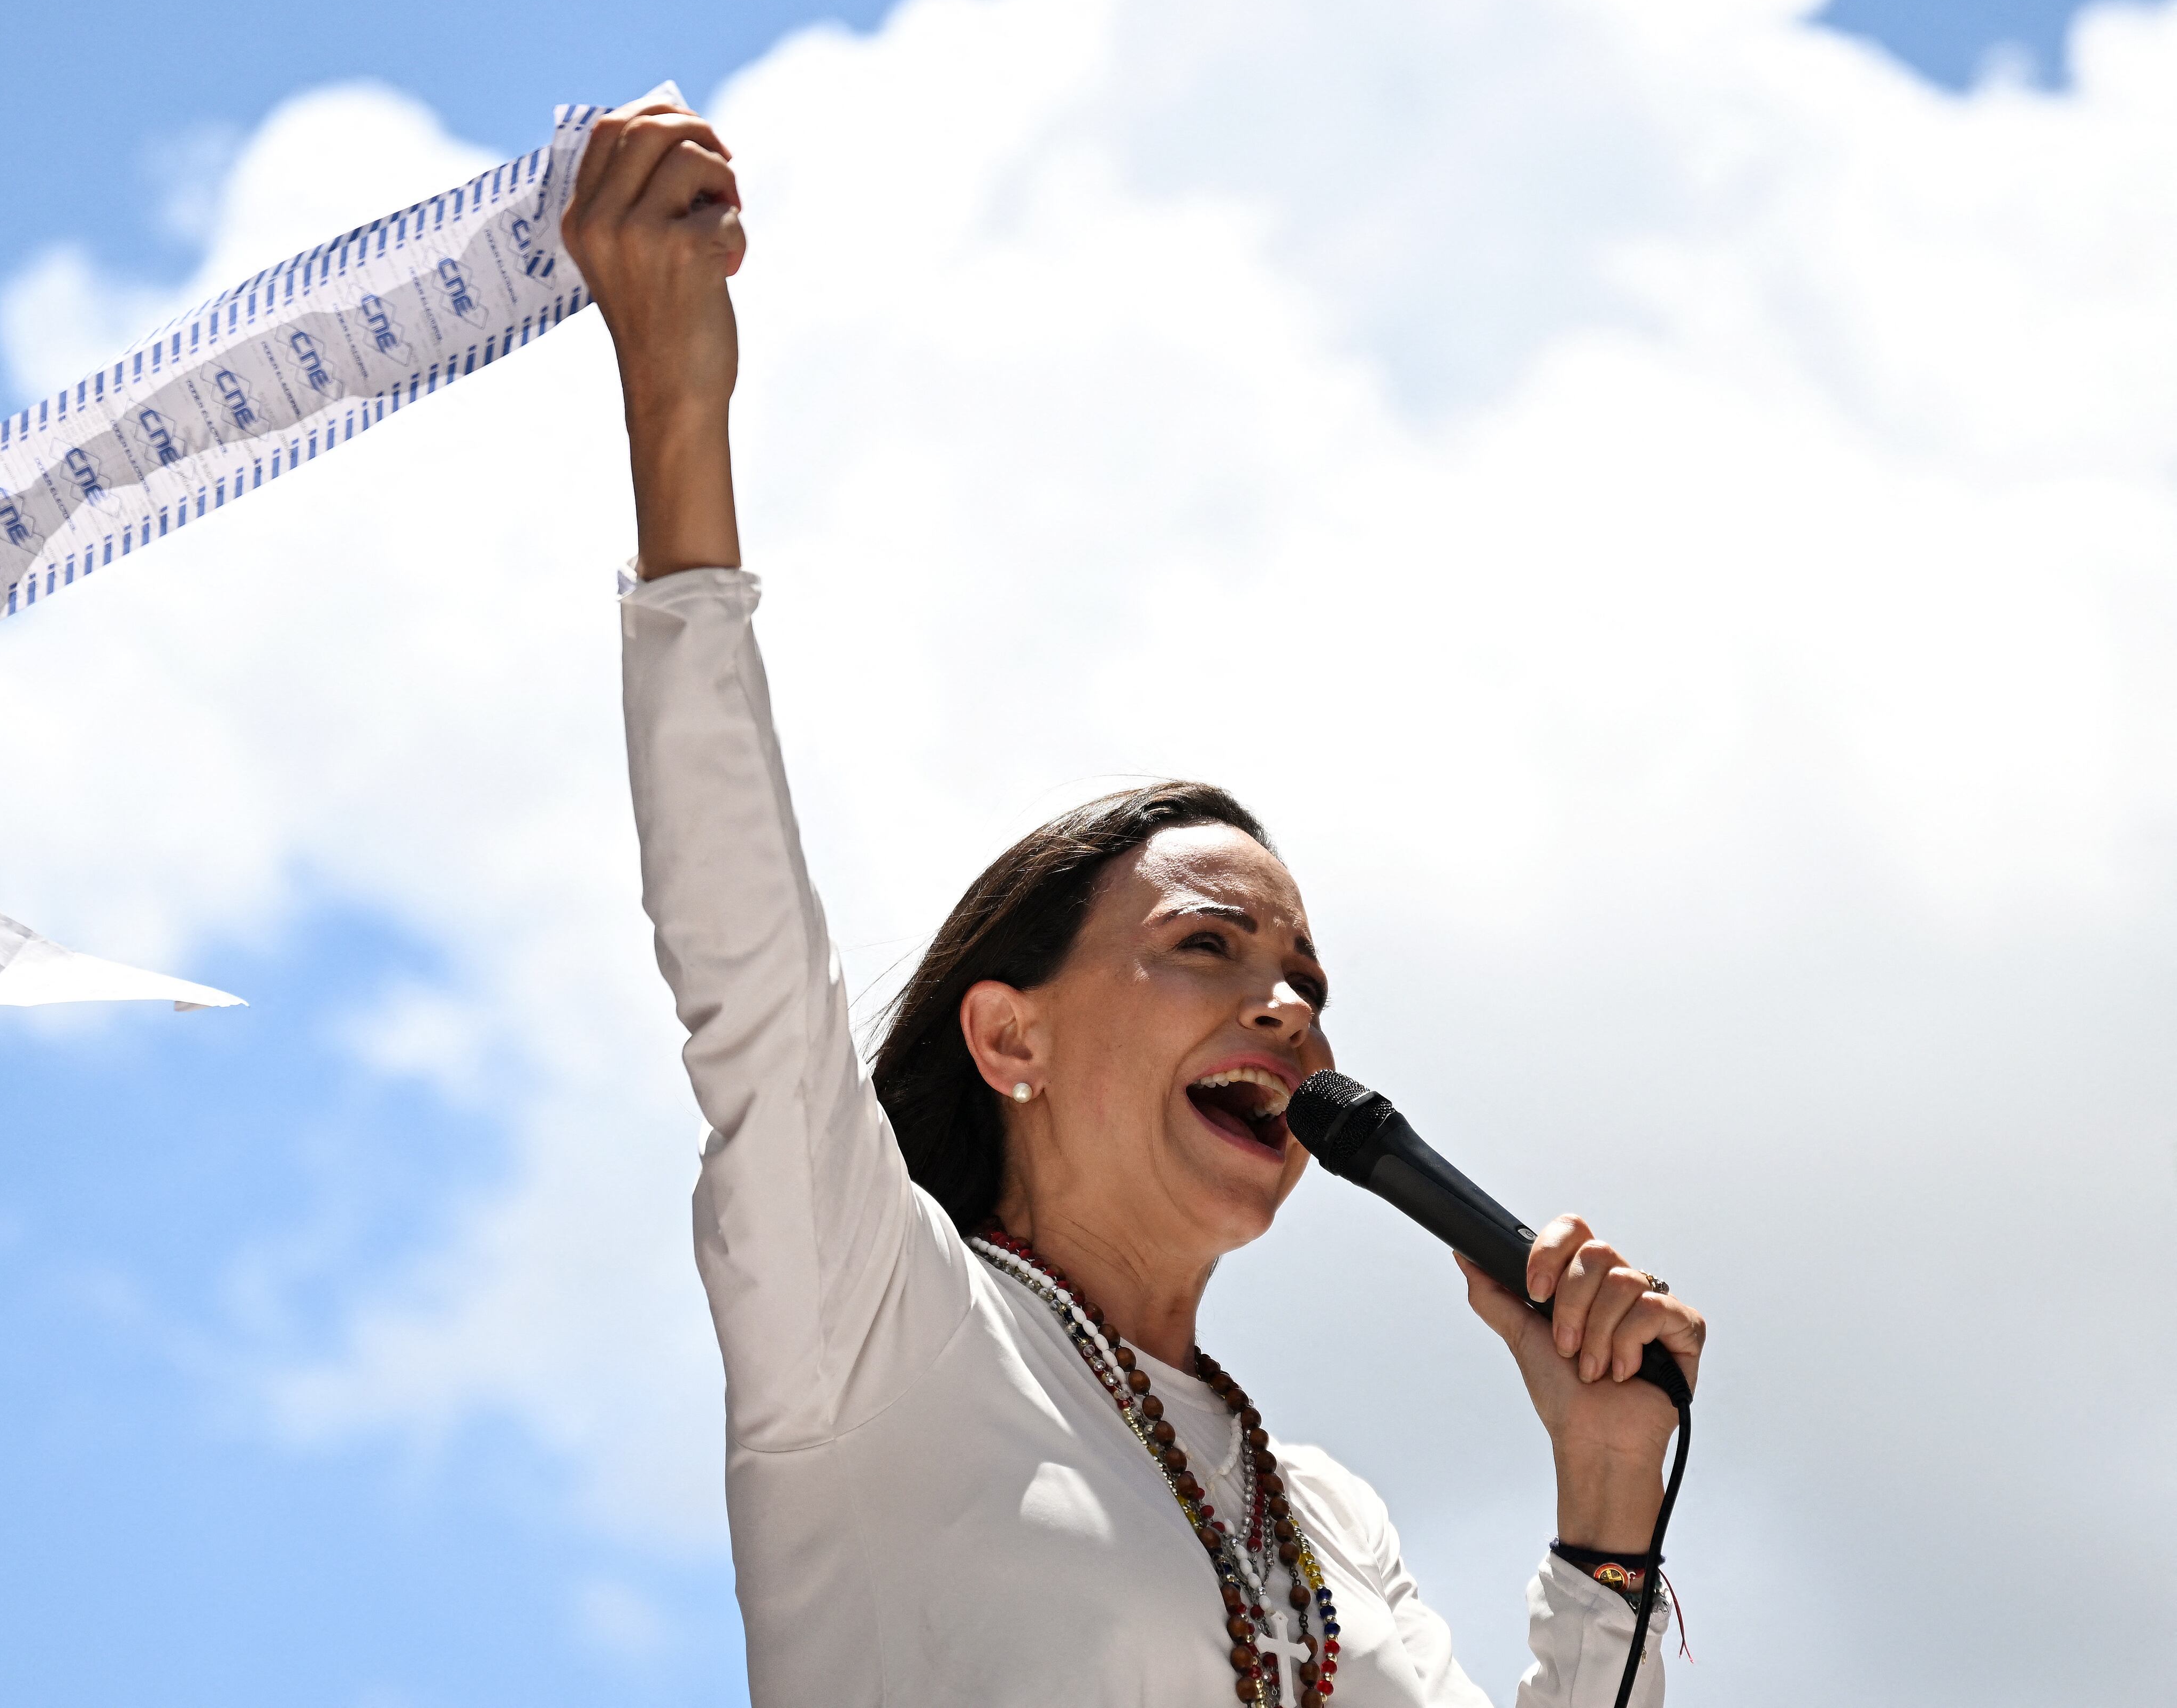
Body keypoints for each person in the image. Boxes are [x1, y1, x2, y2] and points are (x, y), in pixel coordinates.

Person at [561, 93, 1707, 1708]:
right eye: (1208, 948)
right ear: (1006, 1034)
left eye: (1310, 976)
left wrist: (1606, 1505)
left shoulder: (1324, 1519)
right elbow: (742, 951)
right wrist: (677, 410)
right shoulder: (877, 1320)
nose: (1292, 1008)